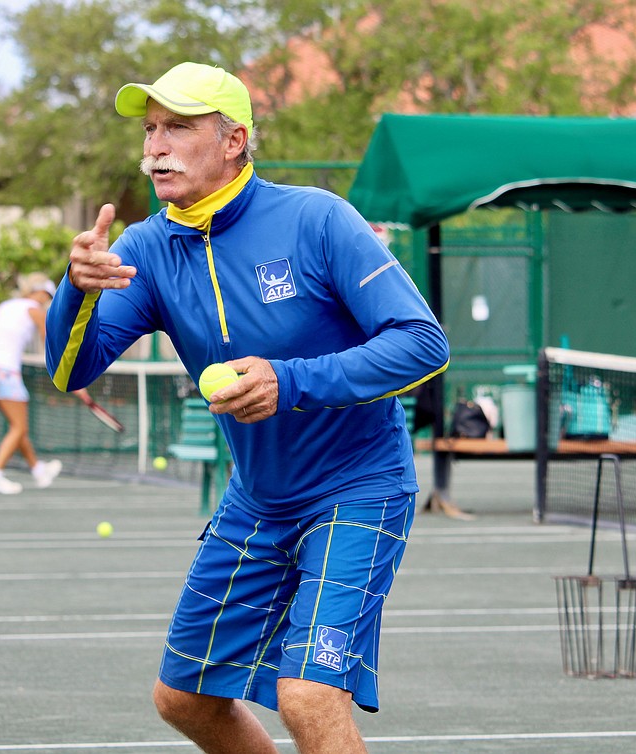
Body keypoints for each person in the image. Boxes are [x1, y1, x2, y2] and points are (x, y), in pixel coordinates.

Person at [44, 62, 449, 753]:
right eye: (149, 130)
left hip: (360, 488)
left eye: (177, 127)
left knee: (309, 695)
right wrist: (75, 289)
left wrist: (289, 382)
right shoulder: (145, 247)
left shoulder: (317, 218)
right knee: (185, 699)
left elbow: (423, 344)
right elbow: (69, 369)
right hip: (258, 501)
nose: (154, 147)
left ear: (233, 141)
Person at [0, 273, 64, 494]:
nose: (47, 300)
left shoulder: (5, 306)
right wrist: (61, 369)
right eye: (47, 295)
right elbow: (49, 341)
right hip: (5, 371)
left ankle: (39, 471)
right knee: (19, 427)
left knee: (16, 426)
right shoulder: (36, 310)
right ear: (40, 292)